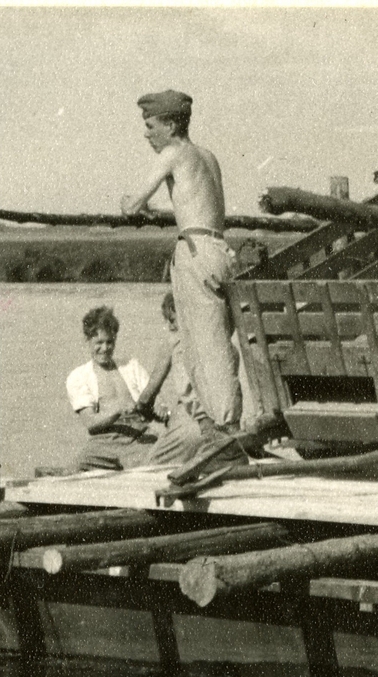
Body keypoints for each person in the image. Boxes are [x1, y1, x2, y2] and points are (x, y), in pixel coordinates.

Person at [121, 89, 243, 434]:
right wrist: (159, 211)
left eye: (151, 126)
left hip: (195, 254)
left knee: (204, 345)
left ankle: (223, 427)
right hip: (219, 249)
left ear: (171, 125)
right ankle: (218, 420)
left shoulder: (173, 153)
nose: (146, 134)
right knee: (218, 338)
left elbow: (132, 205)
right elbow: (196, 205)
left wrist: (129, 204)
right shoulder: (207, 157)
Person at [62, 306, 160, 472]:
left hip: (137, 437)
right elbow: (91, 423)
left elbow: (155, 401)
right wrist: (119, 410)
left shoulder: (132, 366)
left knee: (156, 468)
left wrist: (161, 408)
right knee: (71, 473)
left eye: (109, 342)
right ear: (87, 340)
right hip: (102, 443)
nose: (105, 348)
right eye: (99, 343)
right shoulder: (78, 376)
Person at [137, 292, 207, 466]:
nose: (169, 326)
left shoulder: (174, 341)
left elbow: (147, 396)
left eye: (172, 320)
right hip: (218, 423)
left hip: (192, 424)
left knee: (148, 467)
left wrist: (142, 409)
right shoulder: (211, 338)